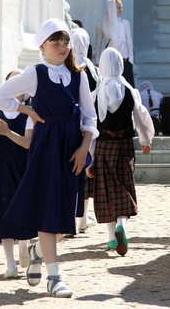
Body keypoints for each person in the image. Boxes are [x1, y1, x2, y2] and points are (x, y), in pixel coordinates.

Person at [0, 18, 98, 298]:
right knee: (49, 210)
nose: (62, 47)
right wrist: (26, 110)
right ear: (42, 46)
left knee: (65, 216)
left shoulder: (78, 75)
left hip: (72, 147)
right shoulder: (35, 74)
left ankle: (38, 249)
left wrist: (85, 147)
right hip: (46, 146)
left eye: (65, 42)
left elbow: (89, 116)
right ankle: (54, 277)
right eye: (55, 42)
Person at [88, 48, 154, 256]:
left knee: (105, 190)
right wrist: (145, 140)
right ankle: (121, 225)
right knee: (123, 186)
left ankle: (111, 238)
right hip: (124, 146)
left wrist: (90, 159)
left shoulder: (95, 95)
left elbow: (91, 130)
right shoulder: (130, 91)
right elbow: (141, 117)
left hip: (102, 148)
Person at [0, 70, 37, 278]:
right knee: (3, 215)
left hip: (24, 167)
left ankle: (24, 246)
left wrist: (7, 132)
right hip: (2, 167)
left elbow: (27, 144)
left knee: (25, 211)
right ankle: (11, 264)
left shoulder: (30, 113)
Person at [70, 27, 101, 233]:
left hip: (73, 124)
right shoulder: (93, 70)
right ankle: (82, 217)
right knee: (86, 170)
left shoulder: (70, 69)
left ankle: (74, 217)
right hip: (90, 126)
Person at [96, 0, 135, 86]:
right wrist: (98, 61)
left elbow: (129, 43)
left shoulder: (125, 23)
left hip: (125, 60)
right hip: (110, 61)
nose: (121, 10)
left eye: (121, 7)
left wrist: (131, 61)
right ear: (111, 8)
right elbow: (98, 44)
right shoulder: (102, 25)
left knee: (127, 87)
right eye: (118, 8)